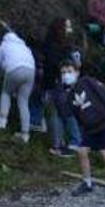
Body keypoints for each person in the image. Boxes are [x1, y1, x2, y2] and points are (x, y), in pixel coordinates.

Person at [63, 60, 105, 199]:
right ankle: (86, 181)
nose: (66, 75)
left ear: (77, 72)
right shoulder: (71, 92)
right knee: (82, 151)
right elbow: (67, 111)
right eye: (63, 72)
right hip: (91, 127)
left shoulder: (87, 82)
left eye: (69, 71)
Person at [0, 32, 37, 144]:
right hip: (31, 72)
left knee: (6, 92)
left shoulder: (4, 46)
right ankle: (25, 134)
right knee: (23, 101)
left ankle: (2, 119)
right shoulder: (25, 47)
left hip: (15, 69)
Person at [40, 18, 82, 156]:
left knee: (55, 114)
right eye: (67, 26)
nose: (69, 29)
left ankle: (59, 144)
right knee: (66, 113)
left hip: (51, 83)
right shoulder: (66, 46)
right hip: (63, 83)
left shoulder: (49, 44)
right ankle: (75, 141)